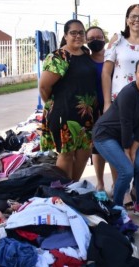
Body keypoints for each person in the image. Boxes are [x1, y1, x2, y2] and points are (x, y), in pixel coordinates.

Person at [92, 58, 139, 221]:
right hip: (105, 134)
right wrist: (126, 151)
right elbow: (125, 122)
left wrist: (134, 148)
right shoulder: (128, 93)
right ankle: (116, 208)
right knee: (126, 170)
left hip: (128, 136)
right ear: (135, 74)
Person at [100, 4, 139, 201]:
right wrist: (107, 101)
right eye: (133, 16)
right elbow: (106, 72)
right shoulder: (117, 41)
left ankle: (136, 190)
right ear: (126, 19)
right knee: (118, 146)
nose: (137, 20)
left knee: (137, 145)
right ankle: (120, 189)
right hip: (118, 102)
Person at [39, 19, 98, 181]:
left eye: (81, 33)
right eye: (73, 33)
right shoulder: (59, 57)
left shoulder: (86, 54)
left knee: (84, 151)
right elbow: (44, 87)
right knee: (66, 153)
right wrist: (56, 106)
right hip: (63, 114)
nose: (78, 36)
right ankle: (63, 191)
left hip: (85, 114)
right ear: (65, 35)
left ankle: (73, 186)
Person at [85, 26, 107, 192]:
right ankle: (100, 183)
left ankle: (118, 183)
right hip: (92, 109)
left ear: (104, 39)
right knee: (97, 147)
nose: (95, 41)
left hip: (112, 107)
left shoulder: (112, 58)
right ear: (86, 41)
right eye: (91, 38)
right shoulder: (85, 61)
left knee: (116, 145)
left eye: (98, 37)